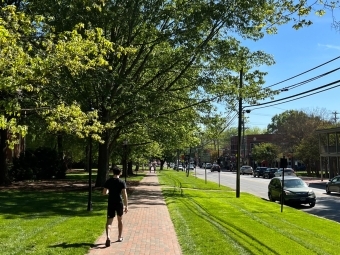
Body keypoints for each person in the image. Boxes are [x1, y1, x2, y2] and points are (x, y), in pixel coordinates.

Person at [102, 166, 128, 247]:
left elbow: (104, 193)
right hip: (119, 203)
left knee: (109, 221)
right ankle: (119, 237)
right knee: (120, 220)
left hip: (111, 203)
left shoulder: (108, 181)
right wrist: (126, 205)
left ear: (113, 172)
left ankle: (108, 237)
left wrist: (109, 191)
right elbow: (124, 194)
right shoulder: (122, 182)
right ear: (120, 173)